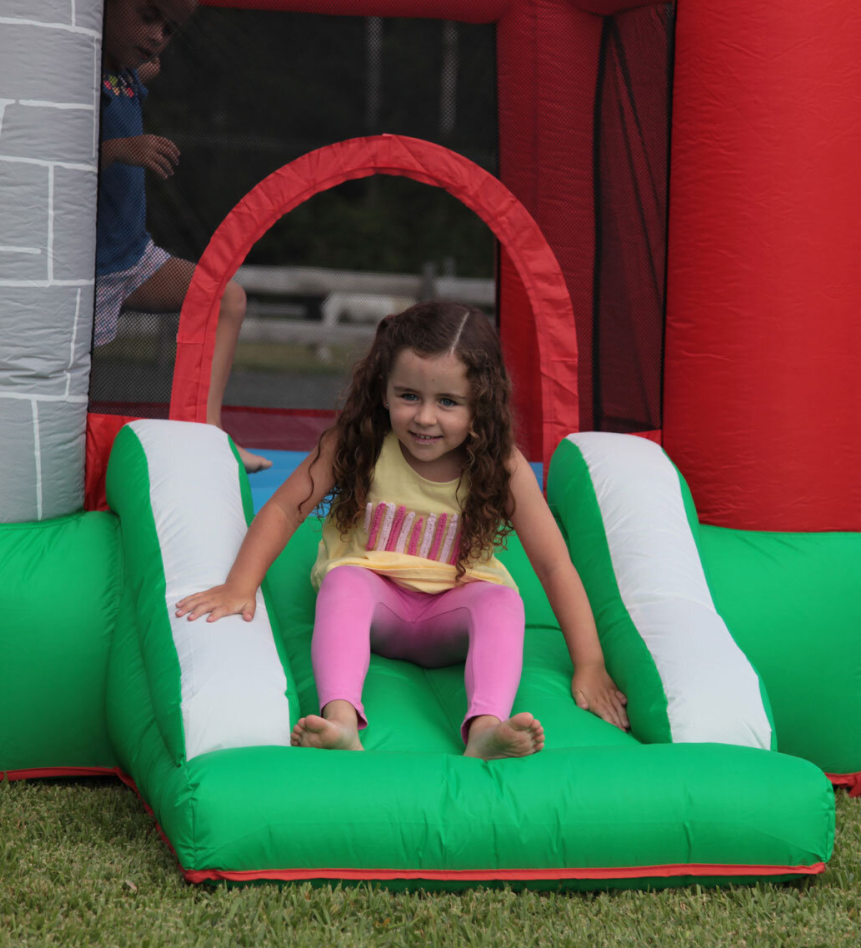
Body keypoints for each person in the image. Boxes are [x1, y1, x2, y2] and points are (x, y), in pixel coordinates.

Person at [175, 302, 628, 759]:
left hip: (452, 614)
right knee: (344, 581)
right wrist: (240, 584)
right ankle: (341, 721)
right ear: (383, 390)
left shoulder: (502, 466)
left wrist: (590, 664)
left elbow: (553, 564)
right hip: (377, 606)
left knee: (502, 601)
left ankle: (485, 729)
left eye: (448, 402)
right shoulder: (358, 442)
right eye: (409, 396)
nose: (425, 418)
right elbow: (283, 509)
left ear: (481, 404)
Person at [96, 0, 271, 472]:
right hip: (79, 276)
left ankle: (206, 434)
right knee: (70, 376)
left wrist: (146, 53)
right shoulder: (77, 76)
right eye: (148, 17)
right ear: (100, 0)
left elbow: (146, 62)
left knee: (225, 297)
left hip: (133, 260)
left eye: (169, 29)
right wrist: (115, 150)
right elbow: (45, 158)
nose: (156, 36)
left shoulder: (126, 74)